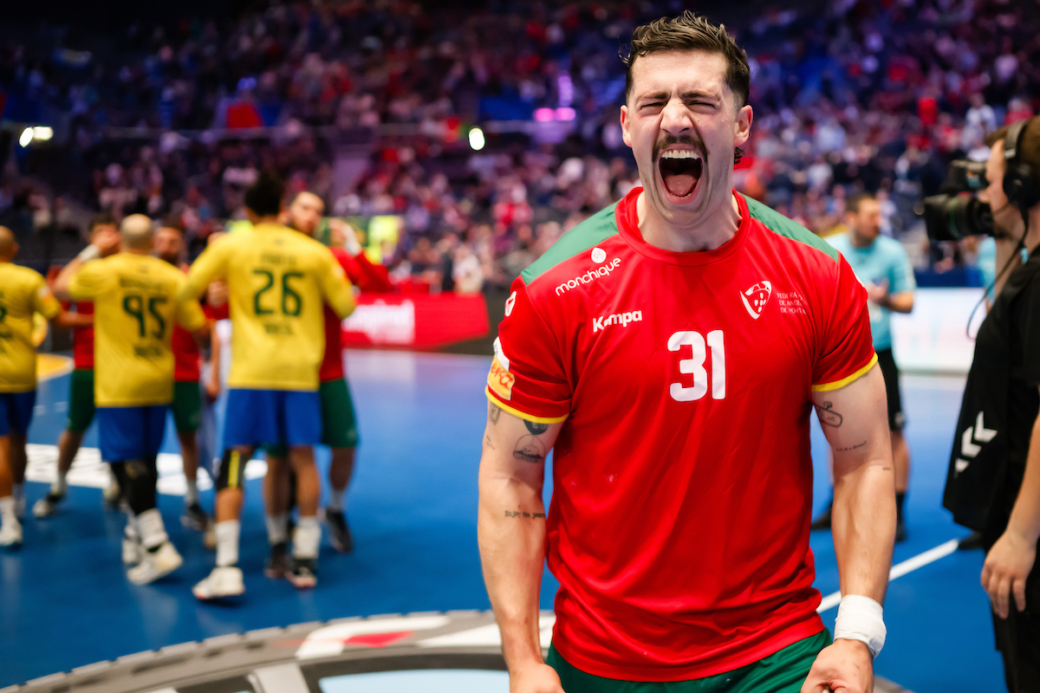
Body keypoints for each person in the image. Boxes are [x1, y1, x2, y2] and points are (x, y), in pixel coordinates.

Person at [478, 13, 895, 693]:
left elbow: (865, 459)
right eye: (653, 103)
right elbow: (511, 476)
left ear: (742, 124)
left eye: (700, 100)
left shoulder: (816, 275)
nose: (674, 118)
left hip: (774, 652)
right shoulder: (556, 290)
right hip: (602, 661)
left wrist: (855, 634)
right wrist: (524, 661)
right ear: (626, 126)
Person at [182, 174, 355, 599]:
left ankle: (227, 566)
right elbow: (346, 305)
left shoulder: (231, 247)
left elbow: (185, 293)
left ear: (247, 211)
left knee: (236, 460)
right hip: (299, 373)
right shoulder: (313, 252)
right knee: (303, 459)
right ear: (283, 208)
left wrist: (208, 319)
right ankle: (306, 555)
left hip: (251, 372)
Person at [53, 214, 209, 583]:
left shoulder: (105, 270)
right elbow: (199, 328)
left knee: (124, 462)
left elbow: (60, 288)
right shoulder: (172, 276)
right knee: (147, 460)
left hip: (119, 383)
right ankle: (135, 533)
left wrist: (93, 250)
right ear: (152, 241)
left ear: (118, 240)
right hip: (159, 379)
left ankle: (155, 544)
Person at [943, 116, 1040, 691]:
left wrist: (1022, 534)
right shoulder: (1028, 270)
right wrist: (1007, 232)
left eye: (995, 178)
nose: (983, 193)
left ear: (1025, 187)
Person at [262, 192, 390, 575]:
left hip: (328, 372)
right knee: (282, 457)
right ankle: (282, 531)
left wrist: (355, 248)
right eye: (305, 208)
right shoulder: (269, 254)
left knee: (345, 446)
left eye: (318, 211)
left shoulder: (331, 257)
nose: (311, 216)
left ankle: (334, 509)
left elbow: (380, 286)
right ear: (287, 212)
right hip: (282, 373)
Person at [813, 193, 916, 541]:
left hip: (880, 354)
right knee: (836, 431)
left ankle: (898, 511)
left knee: (894, 432)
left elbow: (909, 302)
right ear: (851, 218)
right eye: (871, 216)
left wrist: (884, 299)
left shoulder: (892, 252)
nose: (878, 222)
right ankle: (836, 502)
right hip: (838, 355)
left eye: (879, 216)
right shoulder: (829, 248)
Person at [33, 214, 120, 518]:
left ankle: (117, 484)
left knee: (118, 427)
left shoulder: (123, 268)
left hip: (121, 364)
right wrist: (95, 319)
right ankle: (58, 485)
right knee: (75, 427)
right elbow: (58, 302)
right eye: (101, 234)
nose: (107, 239)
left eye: (111, 234)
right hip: (87, 363)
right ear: (91, 239)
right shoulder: (82, 270)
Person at [0, 226, 78, 546]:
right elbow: (57, 317)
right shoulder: (29, 280)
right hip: (22, 373)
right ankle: (17, 500)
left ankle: (7, 519)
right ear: (15, 249)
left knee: (2, 446)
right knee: (18, 440)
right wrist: (98, 321)